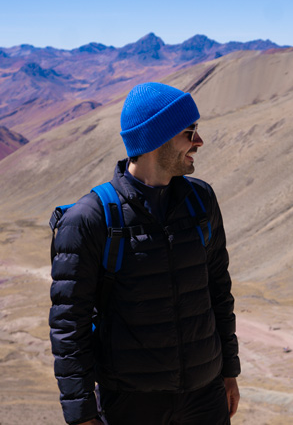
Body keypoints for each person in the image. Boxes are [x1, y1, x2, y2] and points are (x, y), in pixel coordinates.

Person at [49, 82, 240, 425]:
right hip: (131, 406)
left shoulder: (201, 201)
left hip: (205, 397)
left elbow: (218, 292)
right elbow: (69, 325)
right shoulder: (89, 220)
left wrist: (228, 372)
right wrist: (81, 415)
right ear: (156, 139)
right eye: (189, 132)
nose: (199, 142)